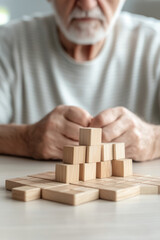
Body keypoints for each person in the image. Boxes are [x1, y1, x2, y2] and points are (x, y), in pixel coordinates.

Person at [0, 0, 160, 161]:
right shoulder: (6, 43)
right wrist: (26, 139)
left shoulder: (156, 42)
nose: (87, 5)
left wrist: (152, 139)